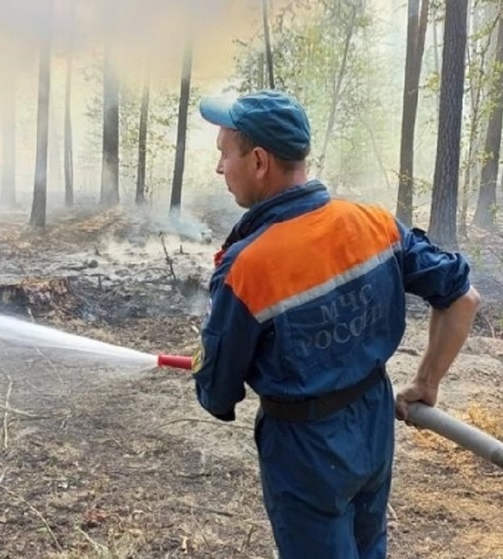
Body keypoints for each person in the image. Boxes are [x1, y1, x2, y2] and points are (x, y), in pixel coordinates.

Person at [191, 89, 480, 559]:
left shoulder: (248, 269)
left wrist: (213, 359)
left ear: (259, 161)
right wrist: (427, 383)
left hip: (305, 451)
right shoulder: (374, 224)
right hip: (374, 422)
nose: (220, 168)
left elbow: (217, 393)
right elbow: (464, 297)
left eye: (224, 153)